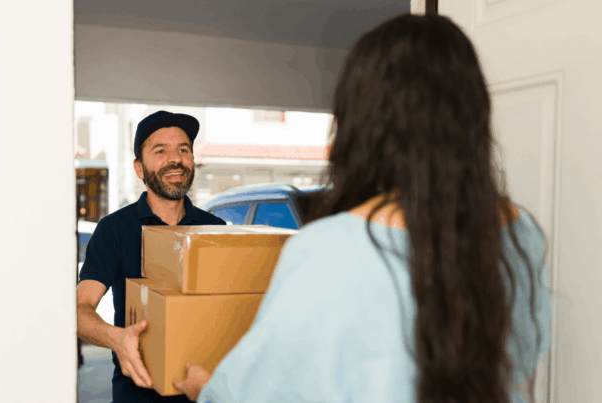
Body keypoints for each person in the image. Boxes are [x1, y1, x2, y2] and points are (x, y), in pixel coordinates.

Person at [172, 14, 552, 403]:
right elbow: (522, 356)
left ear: (364, 121)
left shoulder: (331, 248)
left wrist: (206, 389)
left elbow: (267, 391)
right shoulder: (521, 233)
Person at [77, 110, 226, 403]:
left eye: (183, 150)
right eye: (161, 150)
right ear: (139, 168)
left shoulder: (215, 230)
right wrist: (115, 338)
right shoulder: (115, 230)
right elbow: (80, 309)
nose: (175, 158)